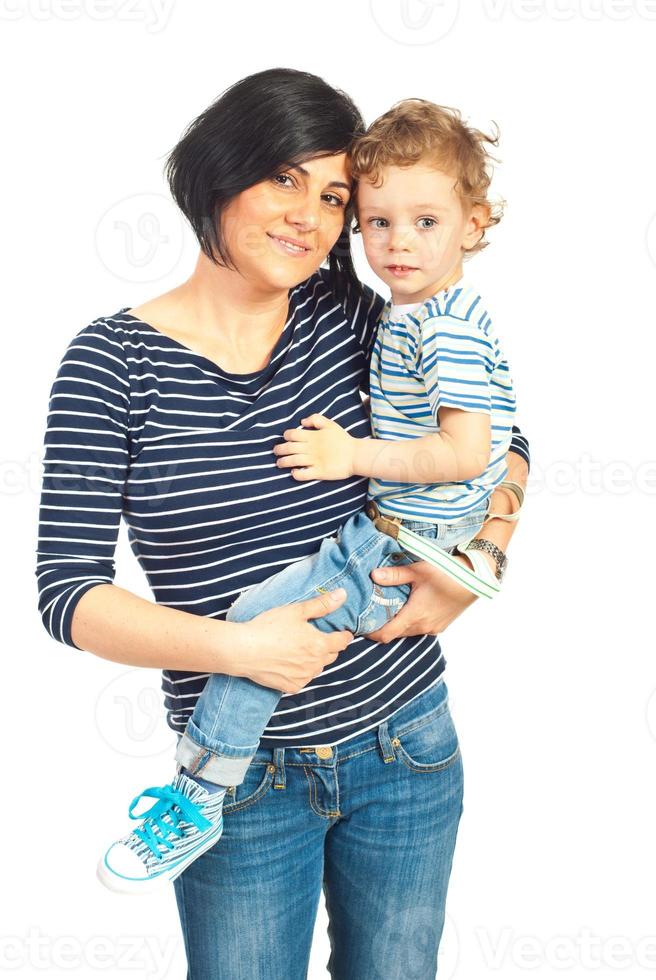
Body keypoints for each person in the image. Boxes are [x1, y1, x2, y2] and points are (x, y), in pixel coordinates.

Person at [36, 70, 529, 978]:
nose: (311, 215)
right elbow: (67, 594)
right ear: (223, 175)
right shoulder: (112, 363)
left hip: (406, 741)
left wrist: (477, 562)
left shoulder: (350, 317)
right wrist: (239, 652)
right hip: (239, 788)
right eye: (285, 179)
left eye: (337, 196)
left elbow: (497, 438)